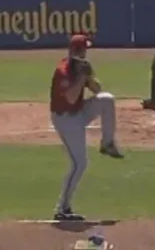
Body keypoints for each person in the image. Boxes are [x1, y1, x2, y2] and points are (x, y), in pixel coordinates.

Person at [50, 34, 123, 221]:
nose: (87, 53)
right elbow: (71, 98)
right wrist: (81, 78)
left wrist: (89, 76)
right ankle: (62, 208)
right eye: (84, 49)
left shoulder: (80, 67)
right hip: (65, 119)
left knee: (107, 99)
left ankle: (107, 143)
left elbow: (98, 89)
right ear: (77, 51)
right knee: (79, 164)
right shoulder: (63, 71)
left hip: (78, 111)